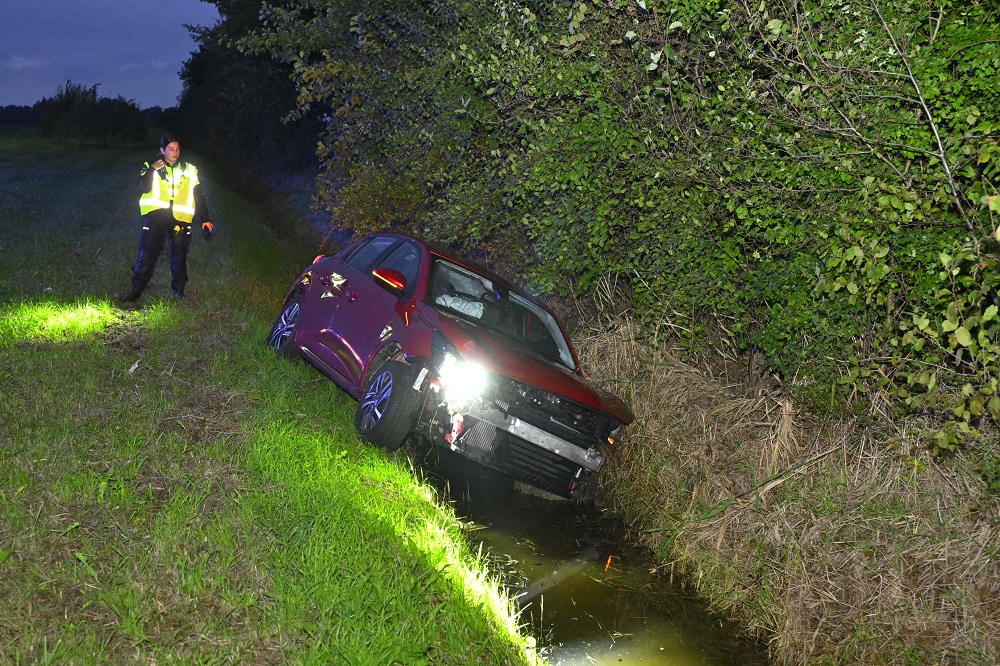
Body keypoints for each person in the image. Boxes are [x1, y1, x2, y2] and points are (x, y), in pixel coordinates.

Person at [122, 135, 214, 302]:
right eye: (170, 149)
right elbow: (142, 187)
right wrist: (152, 169)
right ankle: (136, 290)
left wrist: (205, 218)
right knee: (148, 252)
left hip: (181, 217)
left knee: (179, 254)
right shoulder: (151, 166)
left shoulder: (189, 170)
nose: (175, 152)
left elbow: (198, 196)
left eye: (177, 149)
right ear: (162, 150)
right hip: (156, 215)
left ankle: (178, 289)